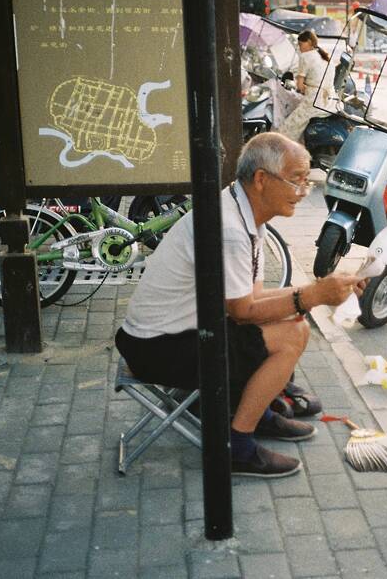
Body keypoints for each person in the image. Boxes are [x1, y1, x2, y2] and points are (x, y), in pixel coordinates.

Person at [115, 133, 362, 478]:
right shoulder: (230, 228)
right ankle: (238, 447)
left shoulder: (240, 210)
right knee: (293, 334)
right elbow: (244, 312)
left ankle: (258, 415)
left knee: (292, 324)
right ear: (261, 179)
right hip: (157, 349)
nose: (303, 191)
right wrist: (315, 295)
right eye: (296, 180)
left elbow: (251, 299)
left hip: (171, 335)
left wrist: (318, 289)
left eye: (307, 182)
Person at [276, 30, 335, 143]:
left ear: (309, 42)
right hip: (330, 101)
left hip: (313, 101)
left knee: (286, 129)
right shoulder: (325, 56)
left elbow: (299, 86)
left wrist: (302, 88)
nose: (299, 48)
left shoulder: (305, 56)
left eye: (300, 44)